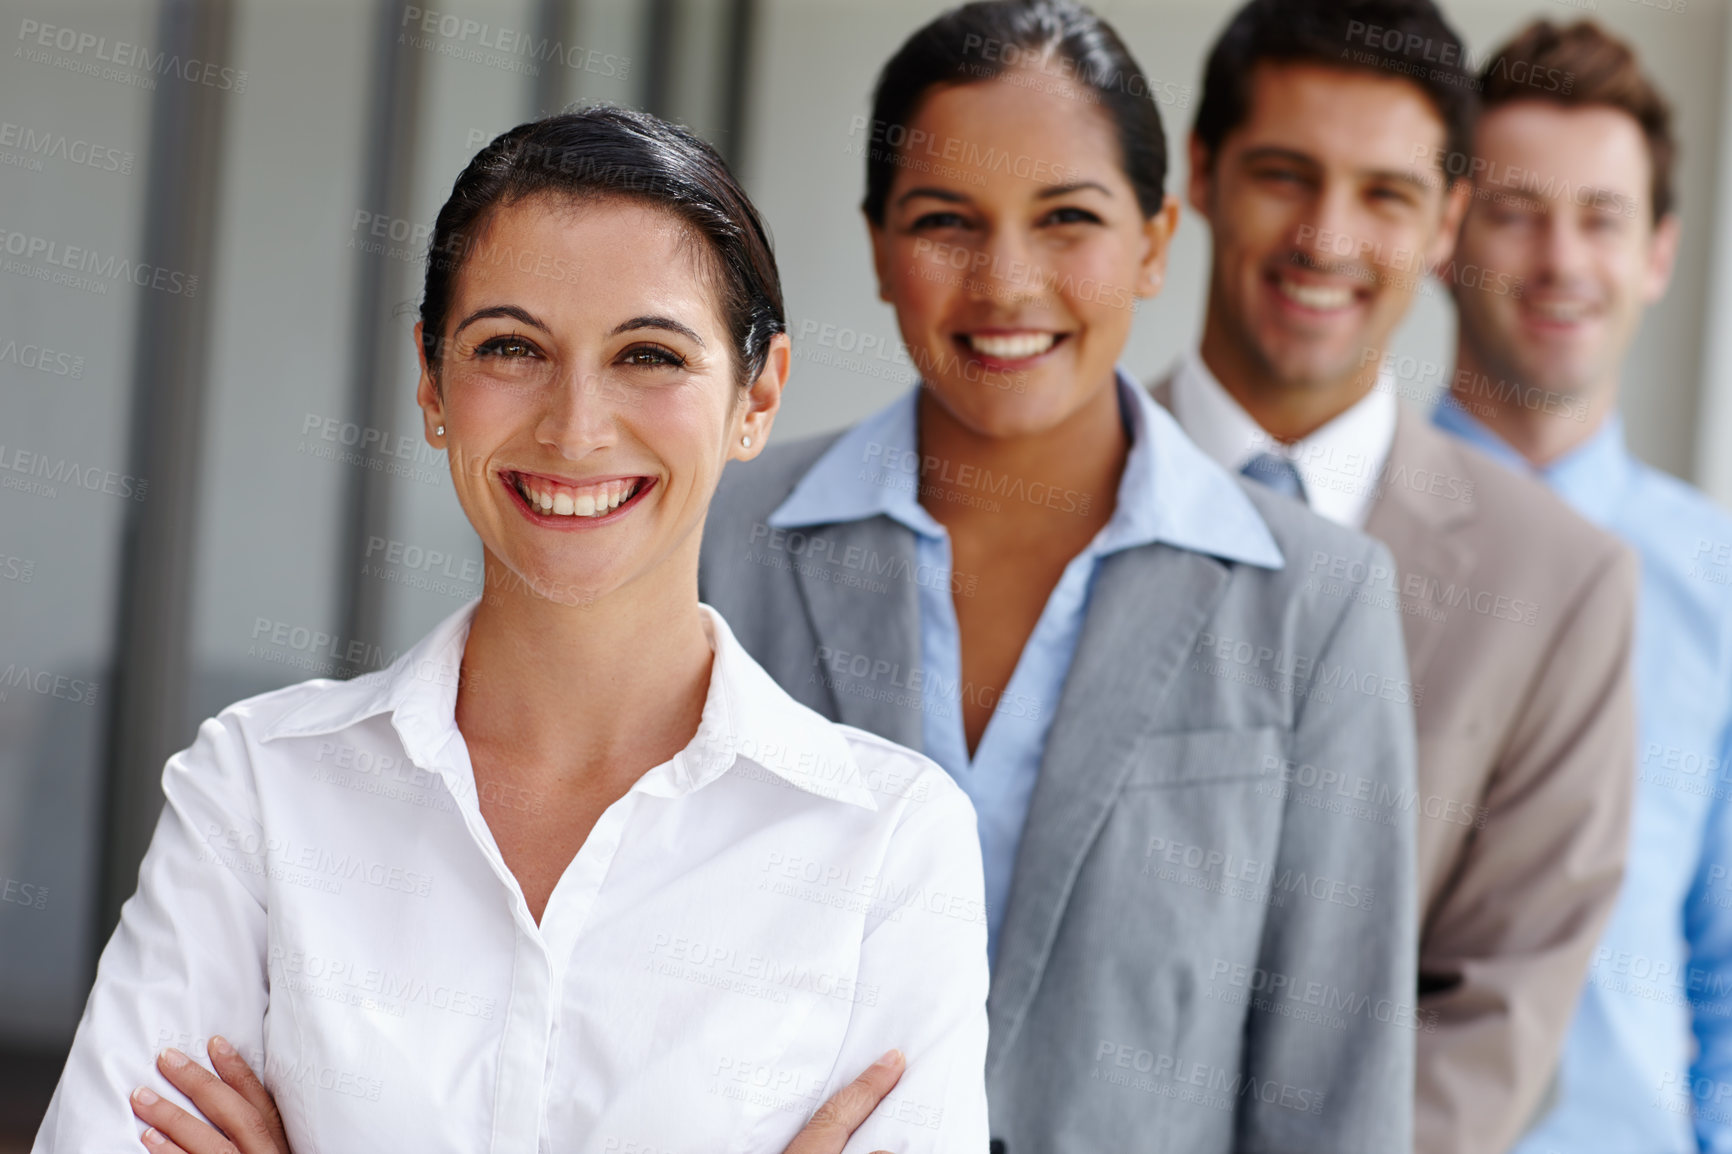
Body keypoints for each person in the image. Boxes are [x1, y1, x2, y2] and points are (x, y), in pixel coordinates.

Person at [32, 107, 990, 1154]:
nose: (575, 427)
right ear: (434, 382)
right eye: (509, 346)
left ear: (756, 396)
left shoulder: (888, 843)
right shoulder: (258, 788)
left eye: (650, 354)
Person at [701, 1, 1420, 1149]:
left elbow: (1331, 1085)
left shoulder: (1312, 601)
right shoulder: (724, 535)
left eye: (1067, 218)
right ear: (880, 244)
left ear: (1152, 241)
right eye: (946, 221)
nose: (1005, 281)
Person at [1149, 2, 1639, 1152]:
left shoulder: (1558, 586)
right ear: (1204, 174)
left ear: (1445, 222)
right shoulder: (1040, 493)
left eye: (1384, 193)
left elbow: (1497, 1007)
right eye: (1284, 175)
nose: (1326, 236)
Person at [1435, 21, 1732, 1154]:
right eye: (1516, 213)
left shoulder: (1713, 580)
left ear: (1657, 252)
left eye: (1601, 218)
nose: (1562, 261)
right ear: (1446, 235)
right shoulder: (1333, 536)